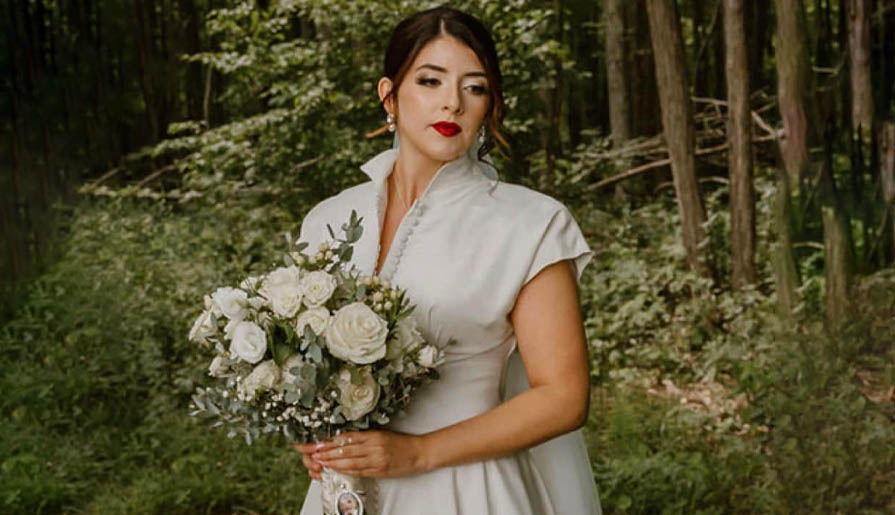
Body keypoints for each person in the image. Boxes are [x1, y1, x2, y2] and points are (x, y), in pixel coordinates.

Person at [293, 6, 602, 514]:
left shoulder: (530, 224)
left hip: (469, 490)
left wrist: (419, 453)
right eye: (430, 81)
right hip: (346, 492)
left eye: (475, 87)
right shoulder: (327, 220)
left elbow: (564, 397)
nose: (452, 103)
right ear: (388, 95)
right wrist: (315, 435)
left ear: (491, 105)